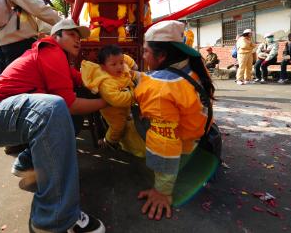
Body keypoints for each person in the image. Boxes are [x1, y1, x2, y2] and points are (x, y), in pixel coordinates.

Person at [0, 18, 107, 233]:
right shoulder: (51, 50)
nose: (78, 40)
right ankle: (54, 218)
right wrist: (106, 102)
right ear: (56, 36)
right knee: (55, 107)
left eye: (80, 36)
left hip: (5, 117)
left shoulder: (61, 60)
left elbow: (85, 80)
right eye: (72, 34)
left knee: (64, 113)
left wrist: (114, 79)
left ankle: (26, 163)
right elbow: (70, 103)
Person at [132, 20, 215, 220]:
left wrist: (162, 191)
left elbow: (164, 144)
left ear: (162, 56)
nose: (142, 56)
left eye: (145, 52)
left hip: (182, 145)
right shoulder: (191, 65)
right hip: (203, 133)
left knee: (137, 119)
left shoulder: (158, 89)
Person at [81, 45, 137, 148]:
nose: (119, 66)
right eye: (114, 64)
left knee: (129, 121)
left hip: (126, 106)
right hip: (112, 110)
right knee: (118, 126)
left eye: (121, 62)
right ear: (103, 67)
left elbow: (129, 64)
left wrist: (135, 71)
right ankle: (109, 141)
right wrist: (136, 94)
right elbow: (117, 99)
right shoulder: (106, 82)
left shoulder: (120, 67)